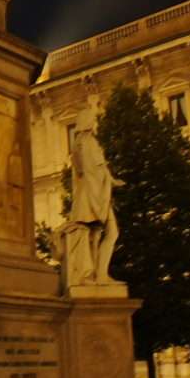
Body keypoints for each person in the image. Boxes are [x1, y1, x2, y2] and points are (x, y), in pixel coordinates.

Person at [69, 106, 125, 283]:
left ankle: (98, 274)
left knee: (97, 234)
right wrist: (109, 183)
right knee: (106, 233)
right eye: (92, 119)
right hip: (94, 194)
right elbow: (92, 169)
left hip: (94, 193)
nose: (95, 122)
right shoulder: (87, 142)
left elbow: (92, 169)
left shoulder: (81, 142)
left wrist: (111, 181)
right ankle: (97, 274)